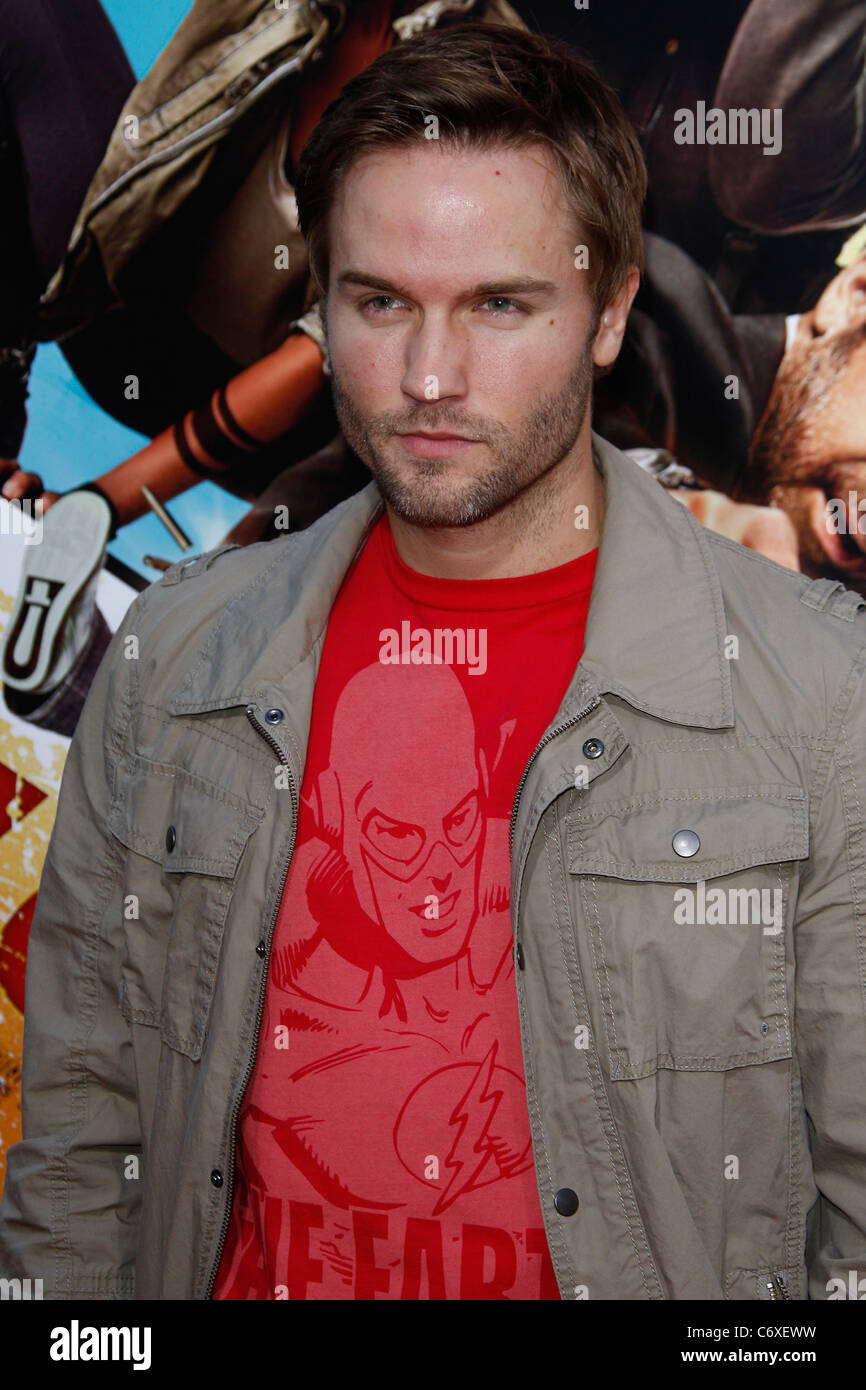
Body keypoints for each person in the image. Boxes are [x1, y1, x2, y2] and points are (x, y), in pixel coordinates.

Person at [1, 21, 865, 1302]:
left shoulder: (815, 687)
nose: (429, 374)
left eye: (500, 306)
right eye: (378, 303)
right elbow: (81, 1154)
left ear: (608, 309)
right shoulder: (184, 656)